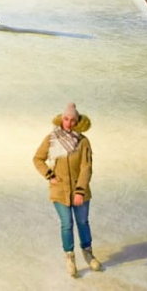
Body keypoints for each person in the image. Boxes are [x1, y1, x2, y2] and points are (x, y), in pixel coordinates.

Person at [32, 103, 103, 278]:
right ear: (61, 119)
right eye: (66, 119)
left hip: (81, 192)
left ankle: (88, 253)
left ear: (77, 121)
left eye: (72, 120)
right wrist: (49, 175)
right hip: (59, 191)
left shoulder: (83, 142)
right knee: (67, 224)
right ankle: (70, 257)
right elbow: (37, 159)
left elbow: (87, 167)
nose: (68, 123)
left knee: (83, 222)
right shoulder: (52, 138)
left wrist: (80, 191)